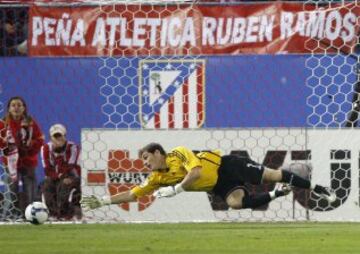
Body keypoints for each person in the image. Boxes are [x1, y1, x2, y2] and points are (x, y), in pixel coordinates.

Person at [81, 143, 336, 211]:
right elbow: (133, 195)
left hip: (228, 166)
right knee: (236, 203)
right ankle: (275, 194)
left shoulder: (178, 154)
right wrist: (104, 200)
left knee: (273, 173)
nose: (145, 164)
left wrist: (177, 190)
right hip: (218, 185)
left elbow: (196, 172)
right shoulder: (156, 179)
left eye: (147, 158)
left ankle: (317, 187)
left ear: (158, 153)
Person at [0, 96, 44, 219]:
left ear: (24, 108)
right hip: (11, 163)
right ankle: (8, 216)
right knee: (11, 191)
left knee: (30, 191)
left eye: (19, 105)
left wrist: (30, 149)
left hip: (28, 161)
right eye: (13, 105)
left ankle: (29, 216)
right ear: (8, 108)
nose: (16, 108)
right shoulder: (3, 123)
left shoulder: (31, 122)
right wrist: (5, 144)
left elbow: (40, 139)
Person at [40, 124, 81, 220]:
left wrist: (62, 176)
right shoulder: (45, 149)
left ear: (65, 136)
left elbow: (70, 166)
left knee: (64, 184)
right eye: (55, 136)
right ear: (51, 138)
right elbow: (47, 169)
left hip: (71, 175)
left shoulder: (73, 147)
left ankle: (64, 214)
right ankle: (53, 214)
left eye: (60, 136)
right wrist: (59, 176)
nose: (58, 139)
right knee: (47, 184)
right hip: (54, 176)